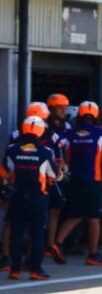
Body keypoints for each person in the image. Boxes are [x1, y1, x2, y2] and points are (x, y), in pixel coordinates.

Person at [52, 102, 102, 266]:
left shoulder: (70, 133)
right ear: (95, 117)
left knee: (75, 214)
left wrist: (62, 165)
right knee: (94, 217)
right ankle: (93, 254)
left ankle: (56, 243)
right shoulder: (98, 132)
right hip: (92, 181)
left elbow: (53, 145)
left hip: (74, 180)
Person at [3, 117, 57, 281]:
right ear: (41, 131)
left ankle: (15, 270)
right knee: (38, 234)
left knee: (17, 233)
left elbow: (4, 172)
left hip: (17, 196)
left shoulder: (12, 149)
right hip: (38, 198)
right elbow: (53, 176)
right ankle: (36, 269)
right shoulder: (46, 152)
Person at [44, 94, 71, 258]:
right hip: (42, 171)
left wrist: (66, 166)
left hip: (60, 173)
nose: (63, 110)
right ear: (51, 108)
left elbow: (68, 148)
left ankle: (50, 244)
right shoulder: (43, 125)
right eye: (60, 107)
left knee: (56, 210)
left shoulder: (67, 126)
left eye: (65, 107)